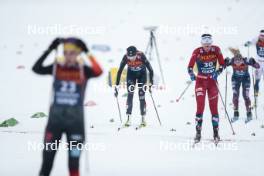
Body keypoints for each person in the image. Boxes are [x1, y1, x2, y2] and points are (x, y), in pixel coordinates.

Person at [32, 37, 103, 176]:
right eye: (66, 52)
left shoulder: (84, 70)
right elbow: (36, 68)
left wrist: (87, 52)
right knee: (47, 164)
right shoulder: (56, 67)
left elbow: (99, 71)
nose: (68, 55)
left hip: (75, 125)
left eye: (72, 52)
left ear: (78, 54)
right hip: (54, 124)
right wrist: (50, 49)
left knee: (74, 165)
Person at [187, 34, 225, 142]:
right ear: (202, 44)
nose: (207, 47)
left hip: (212, 82)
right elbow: (189, 66)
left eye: (208, 45)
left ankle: (216, 132)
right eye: (205, 45)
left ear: (211, 44)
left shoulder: (216, 50)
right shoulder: (197, 51)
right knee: (200, 107)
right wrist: (191, 74)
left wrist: (217, 72)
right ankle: (198, 132)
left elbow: (222, 64)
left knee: (214, 108)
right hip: (200, 82)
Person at [115, 46, 154, 128]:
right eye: (129, 57)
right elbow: (119, 71)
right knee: (130, 95)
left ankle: (143, 118)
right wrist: (116, 86)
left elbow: (151, 70)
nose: (131, 58)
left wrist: (151, 83)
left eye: (133, 57)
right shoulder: (125, 57)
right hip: (131, 76)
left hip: (142, 76)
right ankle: (128, 118)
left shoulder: (141, 55)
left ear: (136, 54)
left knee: (141, 96)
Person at [225, 48, 260, 123]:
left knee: (245, 95)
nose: (237, 62)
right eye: (236, 61)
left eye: (239, 61)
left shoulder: (246, 60)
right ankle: (236, 114)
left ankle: (249, 113)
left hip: (245, 79)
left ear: (242, 59)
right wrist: (225, 61)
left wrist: (253, 61)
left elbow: (258, 66)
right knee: (235, 95)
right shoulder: (231, 61)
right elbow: (223, 65)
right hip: (235, 79)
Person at [244, 30, 264, 106]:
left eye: (263, 36)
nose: (262, 38)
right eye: (261, 36)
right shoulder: (256, 39)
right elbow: (250, 43)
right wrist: (247, 44)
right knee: (257, 81)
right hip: (258, 63)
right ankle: (256, 100)